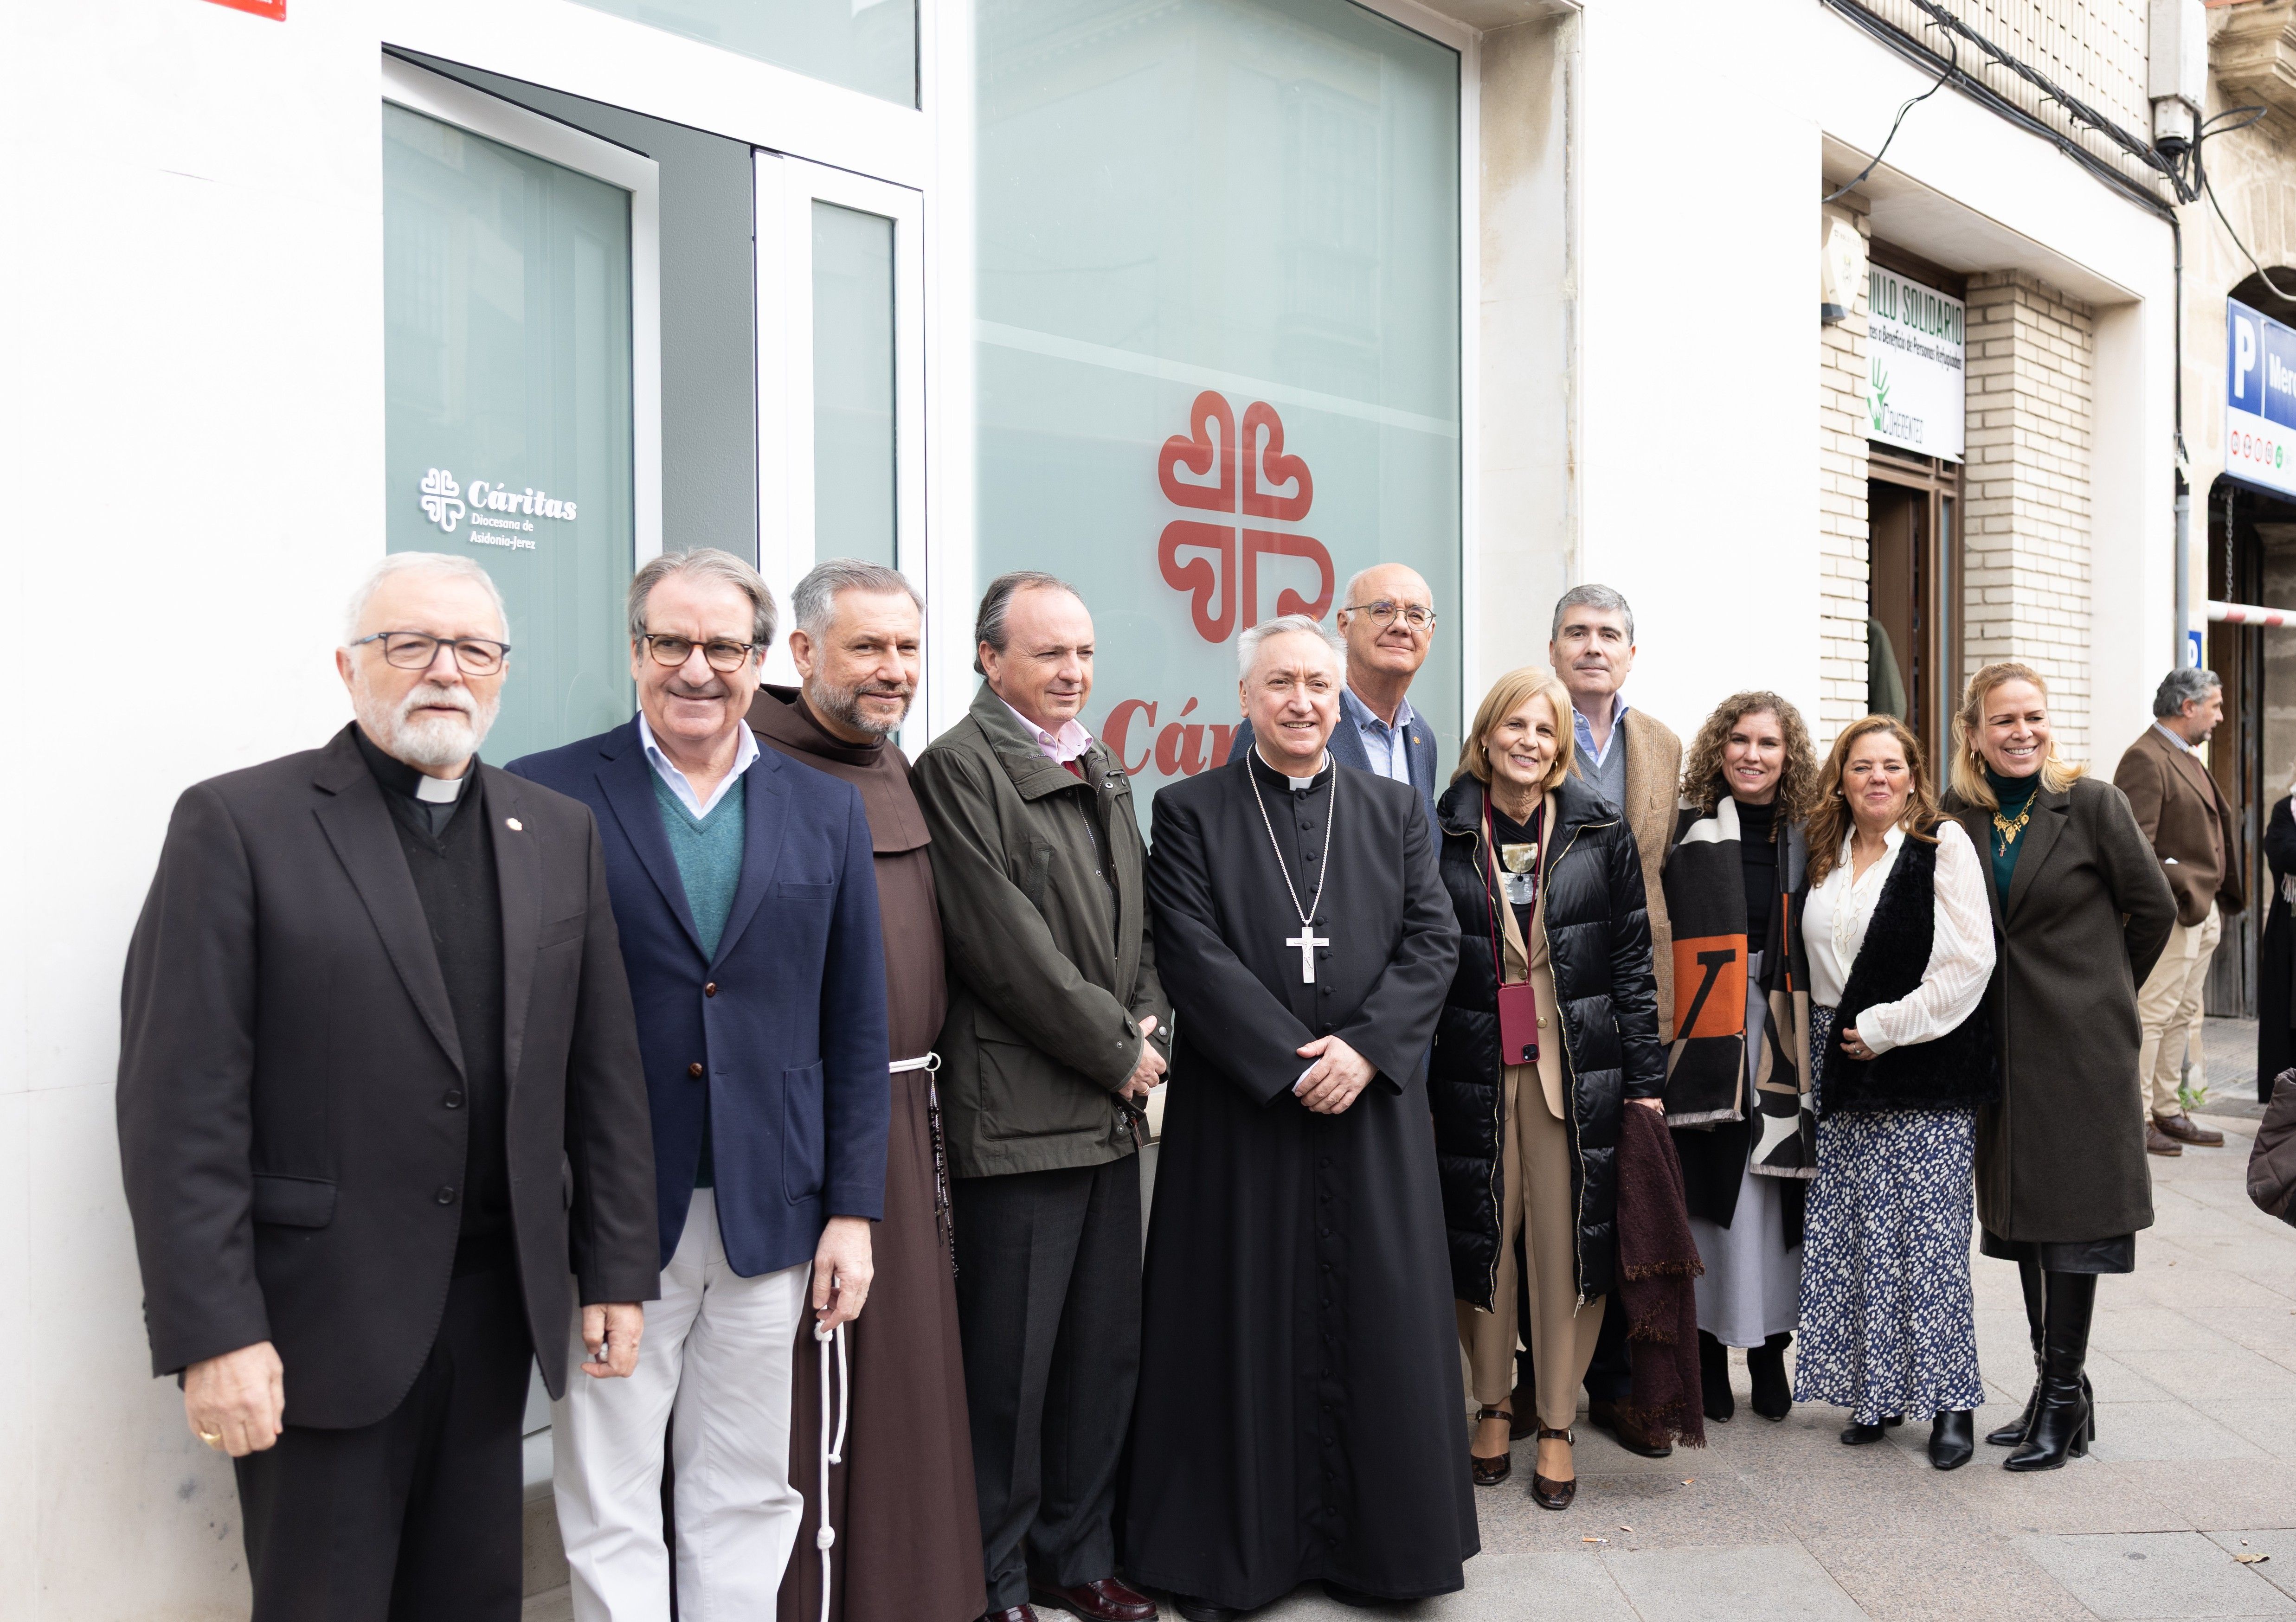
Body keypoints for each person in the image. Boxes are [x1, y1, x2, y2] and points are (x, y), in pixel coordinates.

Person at [117, 553, 659, 1622]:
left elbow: (601, 1072)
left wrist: (614, 1266)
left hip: (496, 1311)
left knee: (472, 1600)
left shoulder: (556, 831)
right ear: (348, 666)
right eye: (409, 644)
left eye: (473, 649)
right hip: (316, 1324)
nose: (444, 670)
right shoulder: (237, 824)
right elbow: (180, 1105)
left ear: (502, 671)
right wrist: (214, 1331)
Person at [512, 548, 890, 1621]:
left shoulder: (824, 811)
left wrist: (853, 1209)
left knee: (744, 1486)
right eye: (670, 642)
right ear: (634, 652)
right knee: (611, 1485)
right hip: (616, 1213)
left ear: (761, 660)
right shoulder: (546, 790)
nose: (697, 667)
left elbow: (857, 1024)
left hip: (772, 1210)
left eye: (724, 646)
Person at [1127, 615, 1469, 1614]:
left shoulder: (1396, 807)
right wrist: (1288, 1063)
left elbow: (1432, 939)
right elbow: (1187, 948)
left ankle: (1385, 1549)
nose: (1301, 701)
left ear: (1338, 692)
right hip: (1243, 1115)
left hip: (1369, 1105)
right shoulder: (1187, 808)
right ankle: (1238, 1553)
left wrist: (1364, 1048)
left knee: (1378, 1317)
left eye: (1317, 682)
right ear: (1244, 696)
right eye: (1279, 682)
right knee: (1237, 1314)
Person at [912, 571, 1170, 1622]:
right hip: (1020, 1127)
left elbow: (1138, 927)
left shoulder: (1096, 761)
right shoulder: (959, 769)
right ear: (990, 659)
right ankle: (999, 1578)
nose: (1074, 672)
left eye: (1086, 654)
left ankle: (1078, 1554)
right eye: (1050, 653)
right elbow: (1004, 948)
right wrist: (1118, 1049)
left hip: (1106, 1121)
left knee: (1099, 1360)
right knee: (1011, 1376)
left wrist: (1148, 1025)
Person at [748, 560, 984, 1622]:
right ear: (801, 654)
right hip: (812, 1127)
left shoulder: (894, 764)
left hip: (910, 1109)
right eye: (868, 648)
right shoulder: (753, 766)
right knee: (818, 1390)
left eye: (906, 649)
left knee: (912, 1385)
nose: (895, 671)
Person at [1427, 664, 1666, 1509]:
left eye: (1544, 730)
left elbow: (1633, 964)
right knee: (1484, 1241)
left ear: (1560, 747)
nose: (1527, 743)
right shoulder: (1438, 830)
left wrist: (1645, 1084)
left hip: (1575, 1074)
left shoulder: (1599, 834)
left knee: (1569, 1253)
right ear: (1485, 735)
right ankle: (1493, 1403)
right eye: (1514, 726)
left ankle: (1557, 1423)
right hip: (1471, 1068)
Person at [1945, 663, 2176, 1470]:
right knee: (2021, 1215)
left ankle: (2061, 1392)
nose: (2019, 732)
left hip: (2078, 1048)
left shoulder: (2091, 804)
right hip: (1997, 1049)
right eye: (2000, 720)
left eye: (2031, 717)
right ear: (1970, 733)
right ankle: (2057, 1391)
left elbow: (2152, 909)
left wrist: (2102, 993)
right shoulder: (1956, 817)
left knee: (2074, 1216)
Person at [1792, 715, 1996, 1471]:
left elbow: (1967, 961)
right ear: (1839, 780)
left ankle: (1949, 1406)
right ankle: (1873, 1394)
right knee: (1858, 1234)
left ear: (1912, 776)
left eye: (1889, 765)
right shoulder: (1827, 851)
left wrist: (1886, 1025)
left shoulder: (1941, 846)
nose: (1874, 777)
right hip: (1836, 1062)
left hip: (1918, 1059)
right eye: (1858, 766)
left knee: (1928, 1241)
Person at [1541, 583, 1683, 1457]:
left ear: (1631, 652)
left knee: (1620, 1191)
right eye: (1576, 632)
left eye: (1608, 634)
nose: (1592, 646)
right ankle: (1530, 1372)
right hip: (1541, 996)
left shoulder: (1660, 743)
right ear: (1552, 647)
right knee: (1545, 1193)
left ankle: (1618, 1385)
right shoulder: (1519, 723)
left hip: (1634, 995)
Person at [1660, 693, 1820, 1425]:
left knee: (1774, 1193)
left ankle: (1768, 1351)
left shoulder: (1811, 836)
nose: (1752, 755)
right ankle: (1709, 1351)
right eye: (1739, 740)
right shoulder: (1687, 828)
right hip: (1707, 1029)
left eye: (1769, 743)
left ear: (1789, 757)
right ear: (1717, 747)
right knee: (1714, 1195)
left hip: (1786, 1029)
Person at [2114, 668, 2244, 1154]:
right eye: (2214, 705)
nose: (2219, 715)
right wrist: (2184, 880)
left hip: (2200, 912)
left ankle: (2167, 1109)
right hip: (2172, 911)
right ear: (2186, 706)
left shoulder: (2184, 754)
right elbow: (2135, 846)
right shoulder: (2144, 757)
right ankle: (2138, 1115)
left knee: (2183, 1014)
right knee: (2153, 1014)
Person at [1225, 562, 1440, 827]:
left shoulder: (1422, 737)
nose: (1401, 626)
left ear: (1430, 635)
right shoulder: (1289, 723)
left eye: (1416, 616)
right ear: (1343, 625)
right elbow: (1241, 832)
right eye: (1382, 611)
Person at [2261, 772, 2296, 1104]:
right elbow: (2283, 853)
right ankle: (2282, 1092)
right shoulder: (2284, 810)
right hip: (2288, 927)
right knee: (2285, 1012)